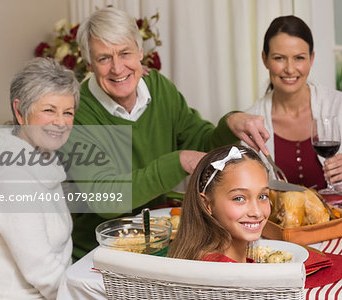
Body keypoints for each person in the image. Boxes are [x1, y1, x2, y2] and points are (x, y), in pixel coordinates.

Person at [64, 7, 271, 259]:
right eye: (104, 58)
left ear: (141, 52)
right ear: (89, 64)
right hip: (99, 253)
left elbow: (203, 145)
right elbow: (106, 199)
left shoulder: (159, 88)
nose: (117, 68)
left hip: (161, 242)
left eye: (125, 53)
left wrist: (230, 123)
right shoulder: (76, 112)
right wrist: (178, 161)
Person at [0, 57, 80, 300]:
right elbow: (43, 273)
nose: (61, 122)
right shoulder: (11, 177)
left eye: (68, 112)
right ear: (21, 112)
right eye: (49, 110)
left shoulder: (40, 162)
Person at [246, 15, 342, 196]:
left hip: (339, 218)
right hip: (283, 223)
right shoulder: (252, 121)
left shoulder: (338, 104)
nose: (290, 69)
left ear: (311, 59)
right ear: (265, 59)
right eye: (279, 58)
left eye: (299, 58)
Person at [168, 145, 270, 262]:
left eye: (262, 196)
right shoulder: (224, 273)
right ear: (206, 204)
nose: (256, 212)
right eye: (239, 198)